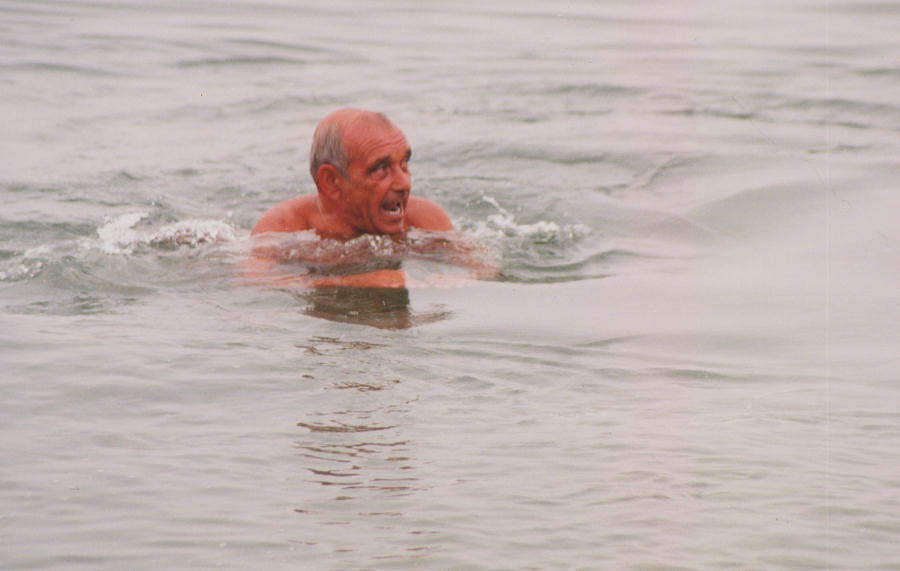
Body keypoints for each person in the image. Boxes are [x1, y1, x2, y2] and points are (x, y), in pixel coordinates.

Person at [247, 108, 495, 288]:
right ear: (331, 182)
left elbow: (486, 271)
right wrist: (364, 281)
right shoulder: (286, 226)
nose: (404, 183)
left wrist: (456, 278)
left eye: (404, 164)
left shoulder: (425, 219)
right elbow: (253, 282)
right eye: (380, 169)